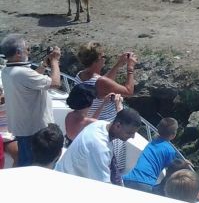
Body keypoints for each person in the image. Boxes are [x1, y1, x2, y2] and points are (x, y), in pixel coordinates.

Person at [75, 42, 137, 176]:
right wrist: (130, 68)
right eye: (104, 57)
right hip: (109, 129)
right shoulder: (101, 82)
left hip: (91, 124)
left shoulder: (80, 75)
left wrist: (118, 64)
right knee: (113, 169)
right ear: (97, 60)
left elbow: (103, 82)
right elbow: (129, 90)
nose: (105, 60)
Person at [0, 35, 61, 167]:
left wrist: (44, 64)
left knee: (26, 164)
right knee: (33, 167)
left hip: (23, 130)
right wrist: (55, 61)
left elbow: (32, 78)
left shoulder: (7, 70)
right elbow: (55, 83)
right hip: (34, 132)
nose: (29, 51)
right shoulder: (22, 73)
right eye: (27, 48)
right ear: (18, 53)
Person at [55, 108, 141, 184]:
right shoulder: (100, 146)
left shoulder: (101, 124)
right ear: (118, 125)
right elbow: (104, 185)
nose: (133, 137)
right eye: (129, 133)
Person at [122, 117, 179, 193]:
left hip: (128, 178)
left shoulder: (151, 143)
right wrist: (184, 164)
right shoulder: (170, 150)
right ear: (173, 135)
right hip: (146, 183)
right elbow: (172, 168)